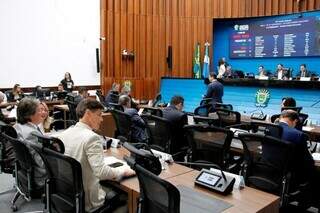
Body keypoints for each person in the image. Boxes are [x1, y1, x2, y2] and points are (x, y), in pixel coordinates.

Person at [57, 99, 135, 212]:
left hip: (68, 194)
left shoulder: (63, 134)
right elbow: (102, 172)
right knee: (126, 197)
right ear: (88, 113)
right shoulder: (91, 138)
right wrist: (123, 172)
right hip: (88, 200)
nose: (102, 119)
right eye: (99, 115)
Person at [277, 110, 319, 206]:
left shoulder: (270, 128)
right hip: (290, 176)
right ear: (295, 121)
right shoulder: (299, 135)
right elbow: (308, 161)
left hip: (270, 171)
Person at [14, 97, 47, 188]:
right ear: (29, 115)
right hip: (41, 177)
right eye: (39, 110)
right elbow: (42, 163)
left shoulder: (18, 126)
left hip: (27, 173)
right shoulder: (32, 133)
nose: (42, 113)